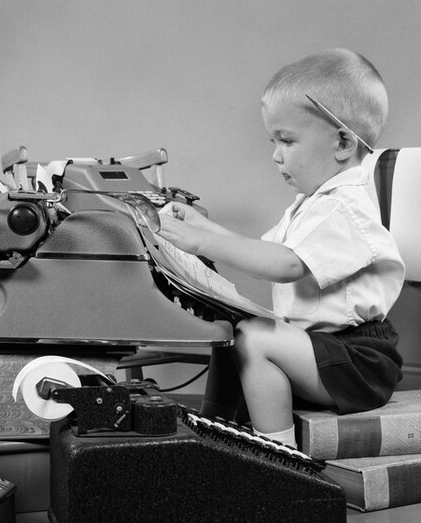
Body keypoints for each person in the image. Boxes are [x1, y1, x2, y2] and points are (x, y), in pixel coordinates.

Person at [157, 49, 405, 448]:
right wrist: (204, 225)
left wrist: (203, 241)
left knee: (255, 337)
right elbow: (264, 253)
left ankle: (277, 457)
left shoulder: (344, 208)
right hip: (320, 352)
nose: (275, 155)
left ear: (342, 142)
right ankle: (215, 435)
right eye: (273, 140)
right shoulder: (313, 202)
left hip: (357, 361)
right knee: (231, 328)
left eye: (286, 141)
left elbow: (285, 265)